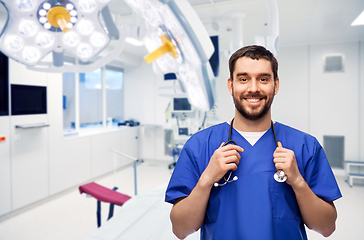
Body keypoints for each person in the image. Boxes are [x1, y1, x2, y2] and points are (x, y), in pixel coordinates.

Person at [165, 45, 342, 240]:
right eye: (243, 79)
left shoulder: (305, 146)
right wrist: (206, 179)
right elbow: (180, 230)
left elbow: (326, 227)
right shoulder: (199, 146)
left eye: (263, 79)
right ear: (231, 85)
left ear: (276, 85)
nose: (253, 88)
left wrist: (298, 182)